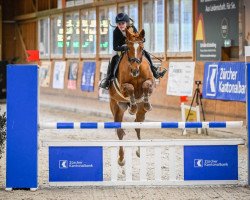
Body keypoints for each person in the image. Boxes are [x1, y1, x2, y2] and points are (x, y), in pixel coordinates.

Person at [99, 12, 167, 90]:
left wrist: (142, 39)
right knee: (112, 59)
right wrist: (125, 48)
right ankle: (108, 79)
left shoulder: (132, 28)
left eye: (122, 23)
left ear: (126, 23)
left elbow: (138, 37)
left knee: (145, 53)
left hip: (132, 47)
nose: (121, 25)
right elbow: (115, 47)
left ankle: (155, 72)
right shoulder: (116, 31)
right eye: (119, 24)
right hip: (120, 48)